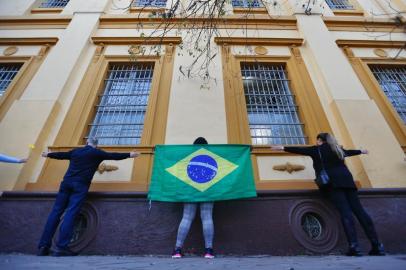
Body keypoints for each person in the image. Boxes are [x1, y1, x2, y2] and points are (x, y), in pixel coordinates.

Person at [271, 133, 385, 256]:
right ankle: (377, 245)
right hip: (348, 181)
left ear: (320, 140)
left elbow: (300, 150)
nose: (316, 142)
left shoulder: (317, 150)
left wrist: (283, 147)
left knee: (345, 213)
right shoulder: (337, 149)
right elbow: (349, 152)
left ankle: (354, 247)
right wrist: (361, 151)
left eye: (317, 140)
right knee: (360, 211)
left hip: (333, 183)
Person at [37, 137, 140, 257]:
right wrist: (129, 154)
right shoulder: (97, 153)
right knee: (71, 213)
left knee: (55, 212)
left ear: (86, 143)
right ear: (96, 145)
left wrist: (48, 154)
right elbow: (113, 156)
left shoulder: (76, 151)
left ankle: (43, 246)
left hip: (66, 183)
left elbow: (62, 155)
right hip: (80, 186)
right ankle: (61, 248)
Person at [172, 137, 215, 259]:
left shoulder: (188, 156)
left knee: (186, 217)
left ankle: (177, 250)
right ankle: (209, 251)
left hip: (190, 190)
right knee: (207, 217)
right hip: (208, 189)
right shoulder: (213, 156)